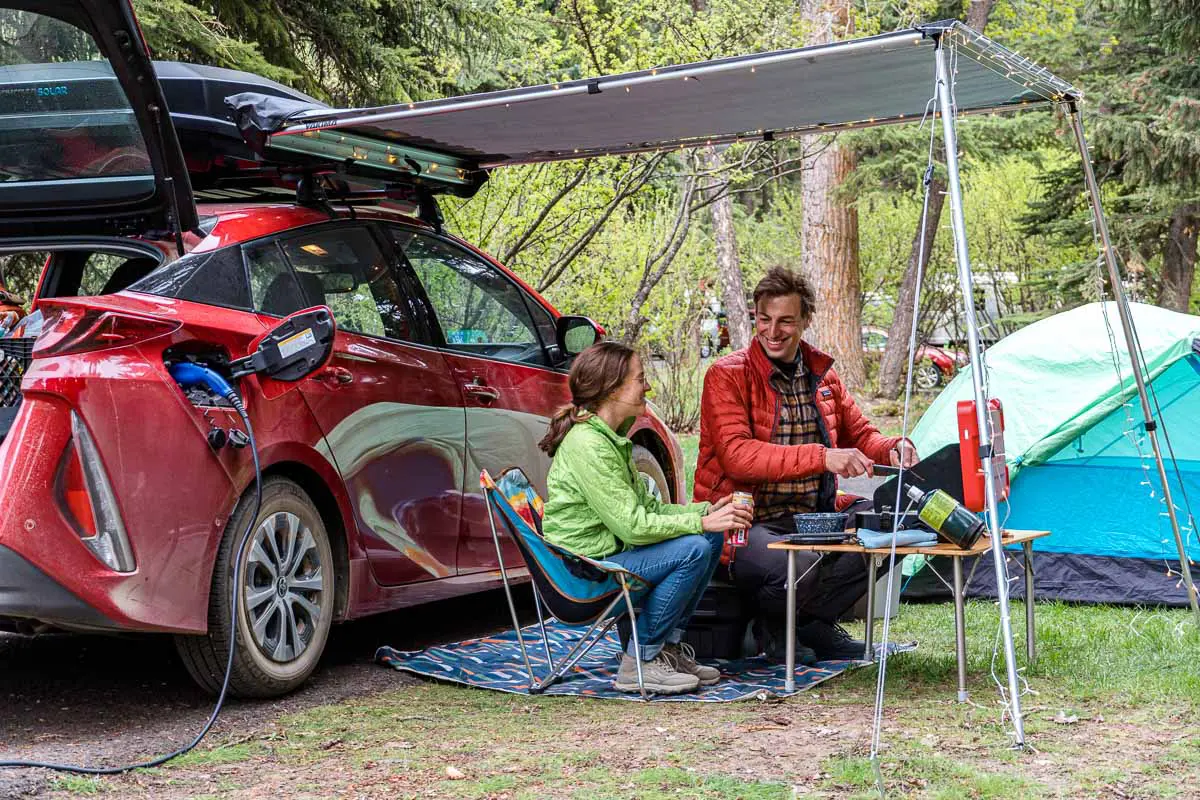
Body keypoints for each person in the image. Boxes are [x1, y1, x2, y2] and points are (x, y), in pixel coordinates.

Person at [694, 266, 918, 661]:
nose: (772, 331)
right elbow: (738, 457)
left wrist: (892, 447)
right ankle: (774, 630)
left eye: (785, 321)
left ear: (805, 321)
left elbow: (862, 435)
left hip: (816, 517)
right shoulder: (725, 376)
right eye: (764, 320)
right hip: (745, 524)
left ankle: (809, 625)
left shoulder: (824, 377)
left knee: (898, 523)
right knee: (797, 563)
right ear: (755, 318)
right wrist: (823, 457)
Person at [540, 341, 753, 694]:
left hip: (605, 558)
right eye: (640, 379)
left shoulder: (611, 439)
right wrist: (699, 524)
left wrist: (707, 512)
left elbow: (648, 511)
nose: (648, 386)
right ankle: (641, 659)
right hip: (583, 574)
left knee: (711, 536)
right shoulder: (589, 446)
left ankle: (666, 649)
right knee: (694, 548)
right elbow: (634, 527)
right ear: (611, 388)